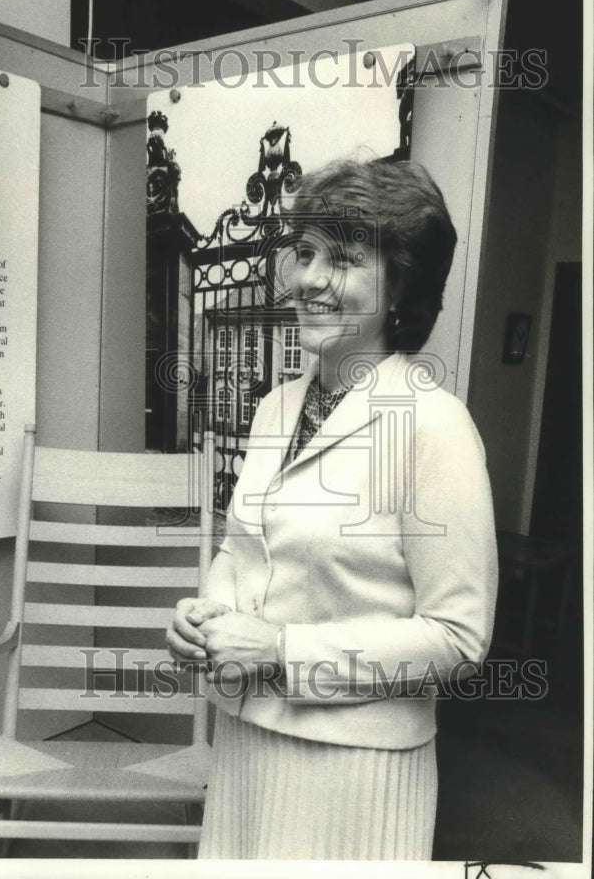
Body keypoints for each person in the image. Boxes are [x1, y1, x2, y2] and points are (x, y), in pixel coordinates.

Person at [166, 157, 498, 860]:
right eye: (305, 252)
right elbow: (241, 548)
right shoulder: (275, 407)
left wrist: (283, 651)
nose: (307, 278)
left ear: (401, 287)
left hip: (353, 766)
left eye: (342, 259)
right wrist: (206, 616)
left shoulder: (432, 425)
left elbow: (457, 640)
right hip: (246, 741)